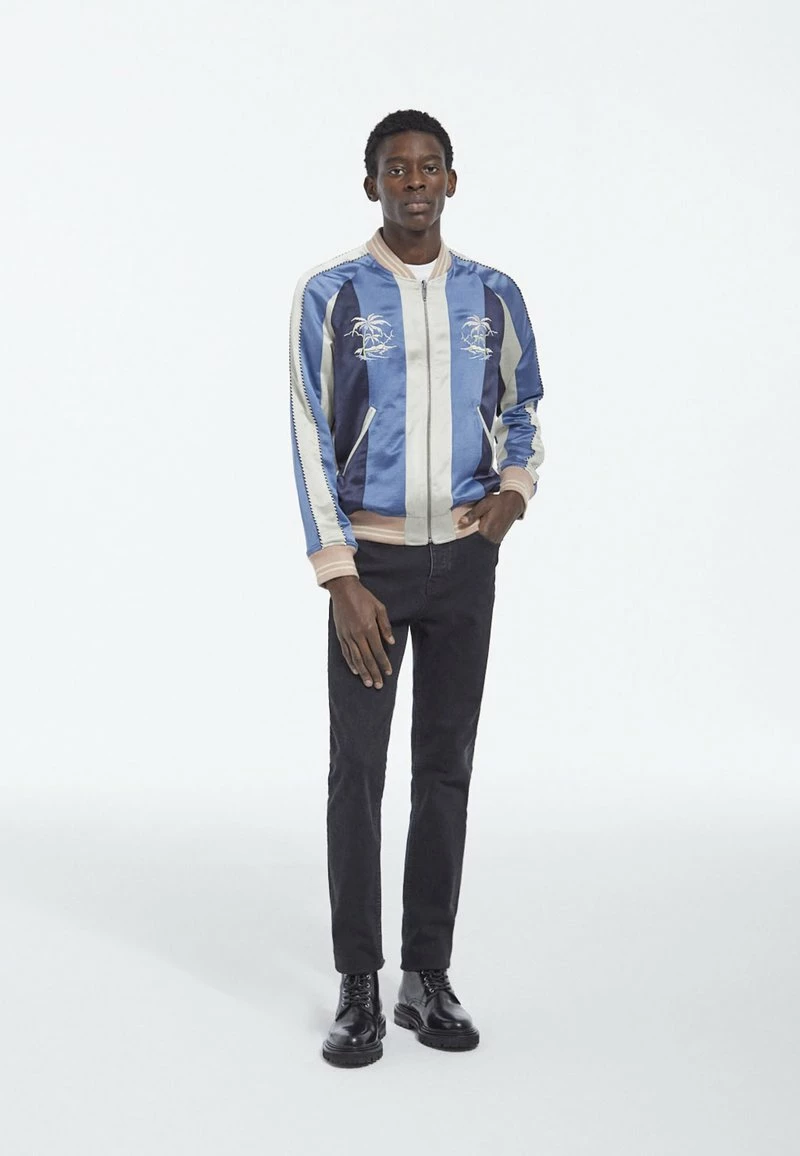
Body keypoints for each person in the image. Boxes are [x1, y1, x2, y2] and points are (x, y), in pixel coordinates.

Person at [288, 108, 546, 1067]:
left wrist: (512, 495)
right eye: (396, 170)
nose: (414, 184)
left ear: (451, 180)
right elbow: (308, 432)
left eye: (428, 167)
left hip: (464, 565)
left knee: (446, 768)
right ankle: (358, 980)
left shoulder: (494, 293)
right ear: (372, 185)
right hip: (374, 570)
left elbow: (524, 405)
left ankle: (425, 976)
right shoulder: (332, 294)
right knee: (357, 772)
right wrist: (339, 575)